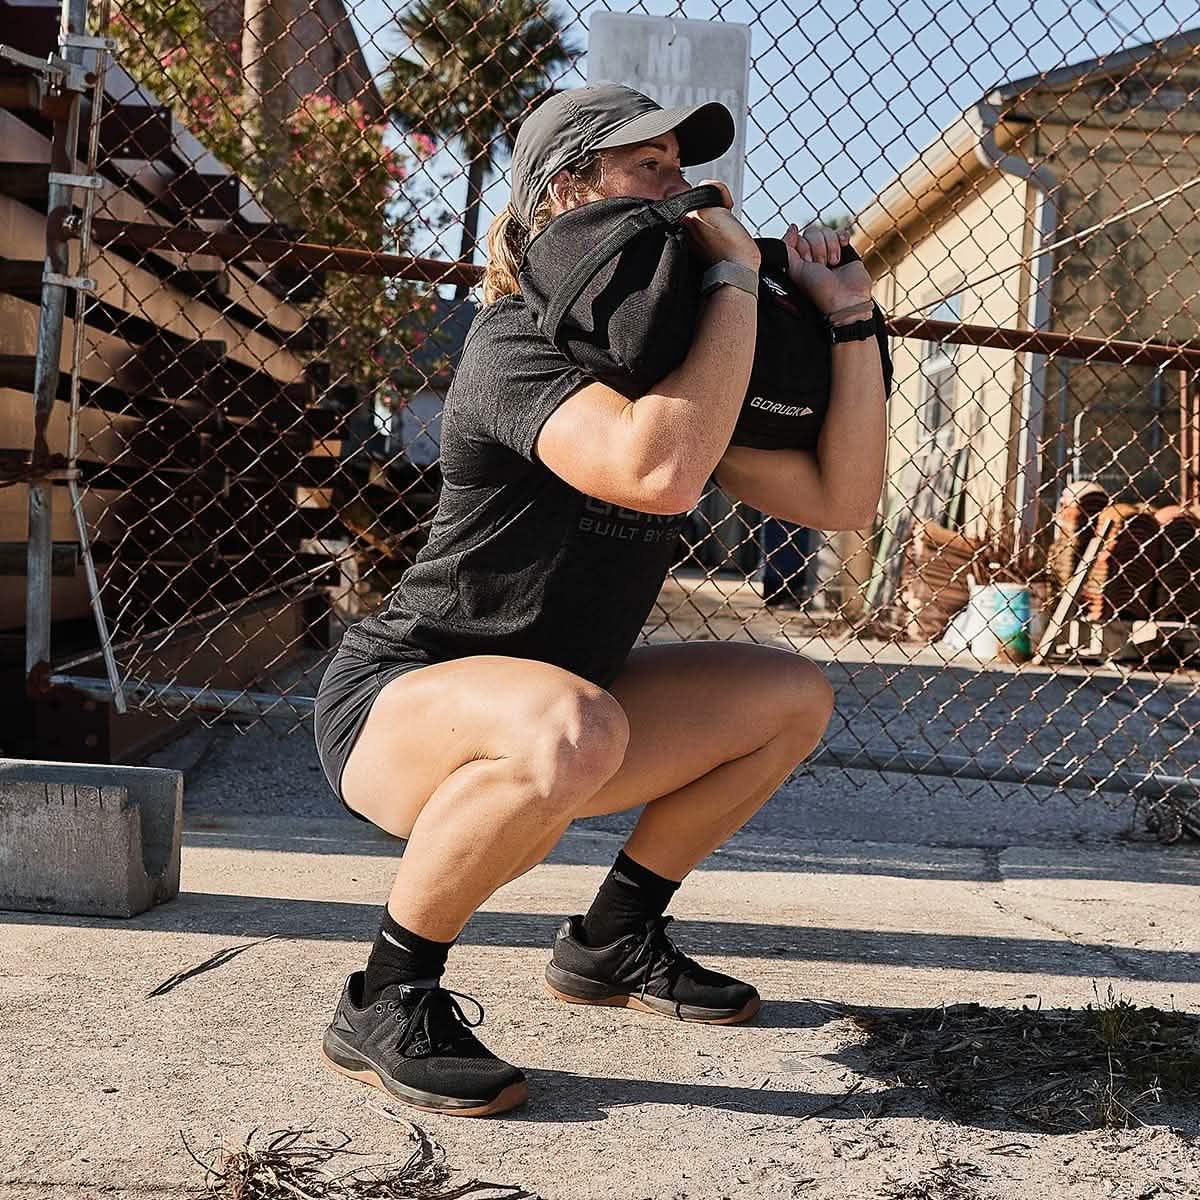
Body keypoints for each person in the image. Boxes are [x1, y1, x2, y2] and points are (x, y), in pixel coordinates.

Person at [314, 83, 887, 1117]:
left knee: (789, 696)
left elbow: (843, 501)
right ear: (568, 191)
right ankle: (386, 996)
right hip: (404, 702)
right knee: (575, 724)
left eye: (683, 167)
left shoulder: (676, 372)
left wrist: (848, 321)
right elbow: (657, 470)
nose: (688, 190)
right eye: (652, 169)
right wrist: (733, 278)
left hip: (570, 707)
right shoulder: (513, 343)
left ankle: (615, 939)